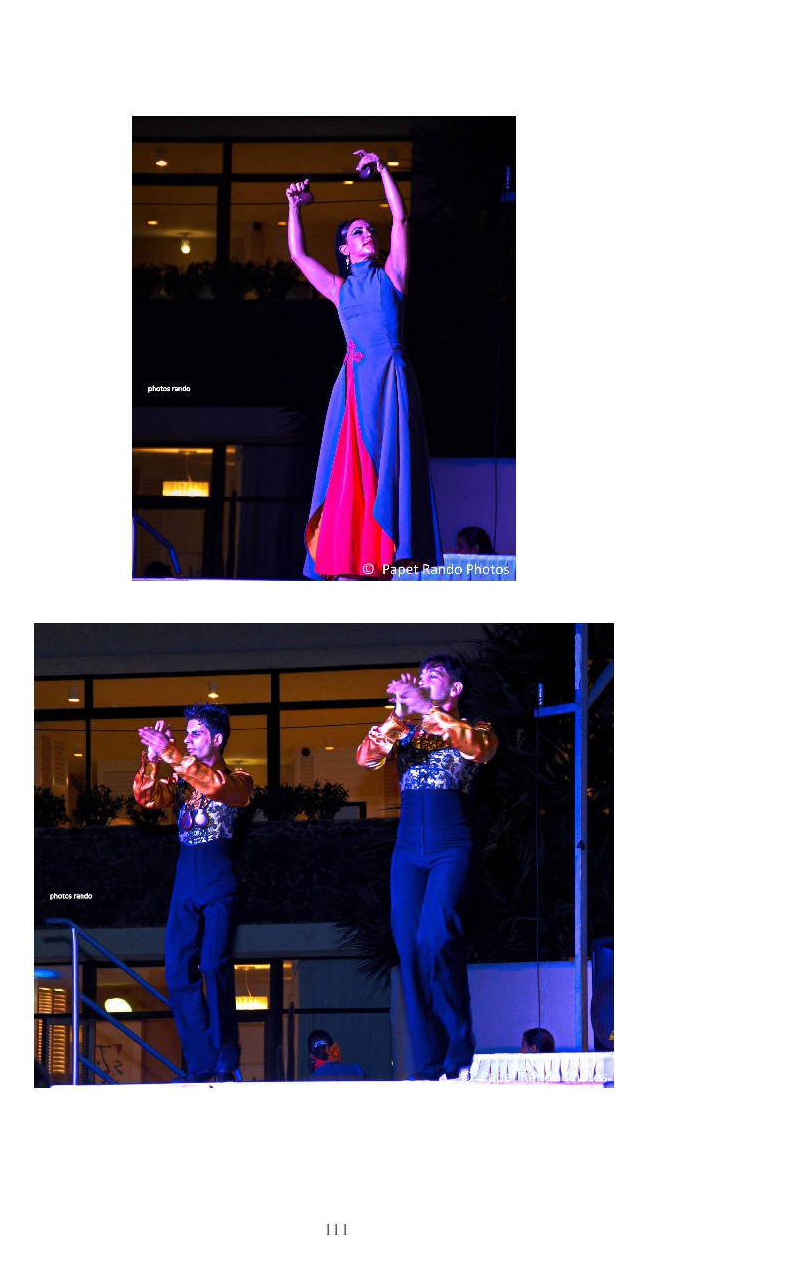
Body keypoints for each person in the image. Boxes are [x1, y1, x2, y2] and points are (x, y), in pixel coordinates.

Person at [286, 150, 442, 580]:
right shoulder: (340, 288)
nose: (368, 233)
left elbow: (400, 219)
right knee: (350, 474)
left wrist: (385, 171)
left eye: (370, 229)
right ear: (345, 249)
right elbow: (298, 255)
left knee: (388, 467)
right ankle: (350, 560)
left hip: (390, 382)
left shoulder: (393, 275)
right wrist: (294, 207)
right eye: (358, 232)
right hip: (354, 387)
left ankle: (383, 557)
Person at [356, 654, 498, 1080]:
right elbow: (365, 758)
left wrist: (424, 707)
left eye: (433, 676)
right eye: (420, 677)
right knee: (409, 948)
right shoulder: (406, 730)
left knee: (436, 935)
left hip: (450, 845)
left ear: (455, 688)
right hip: (407, 851)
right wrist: (399, 714)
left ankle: (459, 1040)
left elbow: (479, 749)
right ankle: (429, 1062)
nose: (423, 681)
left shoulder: (477, 729)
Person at [133, 704, 254, 1082]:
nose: (187, 739)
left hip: (218, 880)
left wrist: (170, 753)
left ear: (217, 739)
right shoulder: (182, 781)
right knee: (176, 971)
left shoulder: (239, 780)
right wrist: (152, 759)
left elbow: (213, 785)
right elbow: (147, 798)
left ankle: (226, 1057)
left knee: (214, 965)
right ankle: (201, 1062)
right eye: (185, 734)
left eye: (196, 733)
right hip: (184, 880)